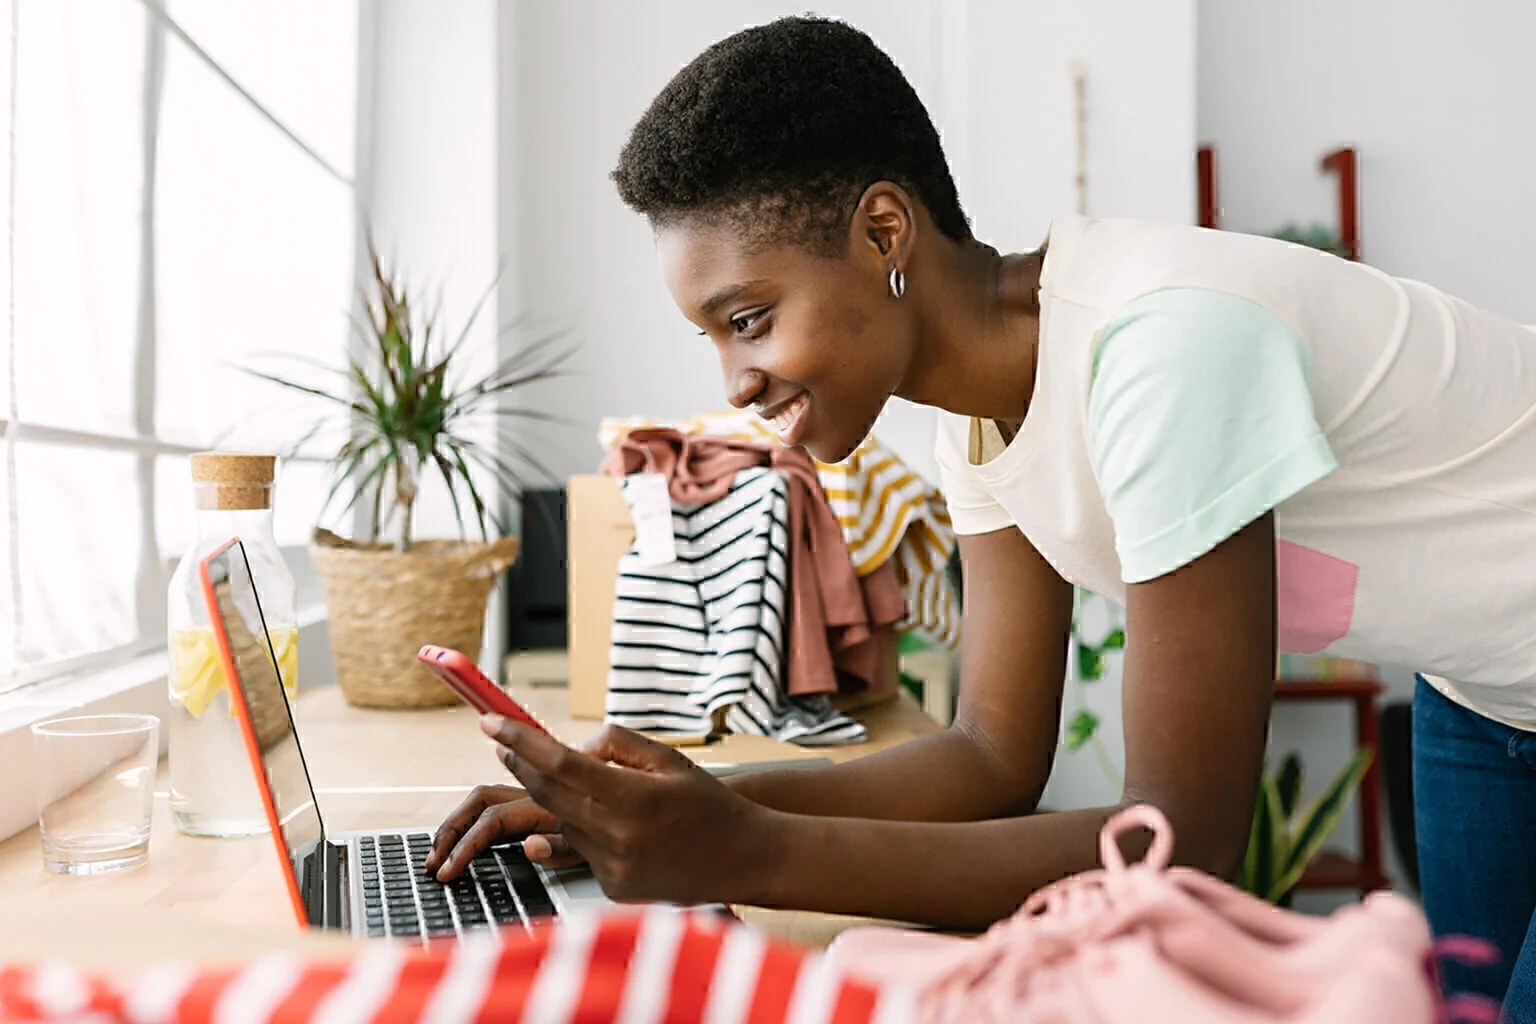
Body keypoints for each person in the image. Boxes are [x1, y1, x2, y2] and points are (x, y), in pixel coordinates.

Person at [426, 15, 1536, 1013]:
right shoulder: (982, 412)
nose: (734, 381)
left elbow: (1182, 843)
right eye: (713, 335)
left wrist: (746, 853)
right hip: (1484, 691)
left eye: (751, 317)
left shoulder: (1160, 349)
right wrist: (682, 801)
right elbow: (992, 750)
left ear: (882, 232)